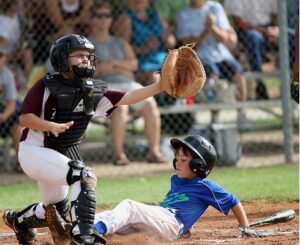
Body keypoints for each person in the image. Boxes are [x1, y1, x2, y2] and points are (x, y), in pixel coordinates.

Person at [2, 34, 166, 245]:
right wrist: (50, 126)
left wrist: (159, 87)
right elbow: (25, 118)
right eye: (79, 55)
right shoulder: (46, 84)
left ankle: (19, 221)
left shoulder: (91, 90)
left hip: (60, 155)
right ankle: (82, 236)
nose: (86, 59)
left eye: (89, 56)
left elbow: (128, 97)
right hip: (34, 151)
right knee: (84, 175)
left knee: (58, 210)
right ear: (62, 58)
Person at [93, 134, 262, 242]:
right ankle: (82, 226)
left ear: (198, 166)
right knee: (121, 220)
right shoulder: (176, 181)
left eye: (183, 160)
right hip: (163, 223)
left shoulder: (205, 186)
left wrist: (245, 227)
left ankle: (96, 228)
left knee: (130, 206)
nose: (177, 163)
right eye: (177, 159)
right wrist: (188, 226)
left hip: (171, 224)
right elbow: (180, 207)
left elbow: (233, 201)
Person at [89, 1, 167, 165]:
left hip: (128, 84)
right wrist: (114, 67)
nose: (104, 20)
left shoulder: (120, 42)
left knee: (150, 105)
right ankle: (120, 155)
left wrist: (113, 64)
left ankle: (154, 152)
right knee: (121, 107)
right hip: (103, 86)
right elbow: (92, 71)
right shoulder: (87, 44)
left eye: (107, 16)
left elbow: (133, 65)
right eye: (99, 16)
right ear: (92, 19)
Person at [175, 0, 249, 127]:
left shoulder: (215, 8)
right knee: (212, 76)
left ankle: (241, 113)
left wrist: (213, 27)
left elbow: (224, 38)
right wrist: (205, 31)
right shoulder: (183, 15)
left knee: (238, 72)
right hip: (201, 57)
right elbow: (187, 46)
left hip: (222, 55)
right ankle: (215, 116)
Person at [224, 0, 296, 100]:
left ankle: (293, 79)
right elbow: (238, 22)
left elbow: (275, 15)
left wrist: (275, 30)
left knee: (293, 35)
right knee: (254, 38)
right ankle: (260, 83)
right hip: (247, 31)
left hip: (269, 28)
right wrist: (263, 31)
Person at [112, 0, 176, 86]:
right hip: (142, 63)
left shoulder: (156, 14)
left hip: (163, 59)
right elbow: (121, 50)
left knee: (183, 71)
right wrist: (144, 48)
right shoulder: (126, 18)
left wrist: (167, 38)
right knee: (155, 78)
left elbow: (171, 42)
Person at [0, 47, 22, 172]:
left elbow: (12, 103)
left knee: (17, 125)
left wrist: (4, 116)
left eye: (1, 57)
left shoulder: (7, 74)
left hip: (3, 114)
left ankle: (21, 163)